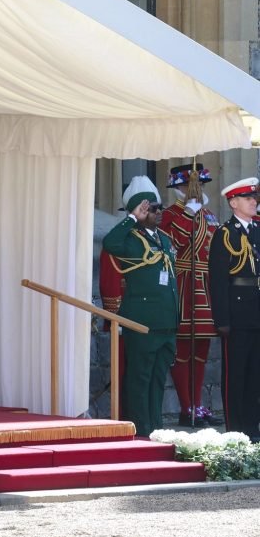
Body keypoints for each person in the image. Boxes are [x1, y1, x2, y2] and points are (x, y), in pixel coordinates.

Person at [102, 176, 178, 438]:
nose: (158, 213)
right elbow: (110, 243)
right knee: (140, 379)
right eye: (151, 209)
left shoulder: (164, 239)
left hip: (166, 323)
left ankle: (155, 427)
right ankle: (140, 429)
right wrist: (132, 218)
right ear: (139, 210)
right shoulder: (130, 239)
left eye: (159, 208)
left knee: (158, 379)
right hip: (143, 322)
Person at [158, 163, 221, 427]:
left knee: (201, 351)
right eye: (188, 187)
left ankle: (198, 405)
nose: (194, 191)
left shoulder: (209, 215)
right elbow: (175, 242)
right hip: (183, 283)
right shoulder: (170, 214)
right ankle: (187, 407)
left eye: (198, 186)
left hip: (205, 285)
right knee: (182, 350)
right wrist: (188, 215)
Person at [207, 177, 260, 440]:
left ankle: (253, 429)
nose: (254, 201)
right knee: (235, 375)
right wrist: (222, 320)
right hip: (237, 314)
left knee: (255, 376)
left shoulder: (258, 229)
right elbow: (217, 280)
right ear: (233, 202)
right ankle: (236, 431)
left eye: (254, 197)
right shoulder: (225, 234)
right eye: (248, 198)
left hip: (257, 312)